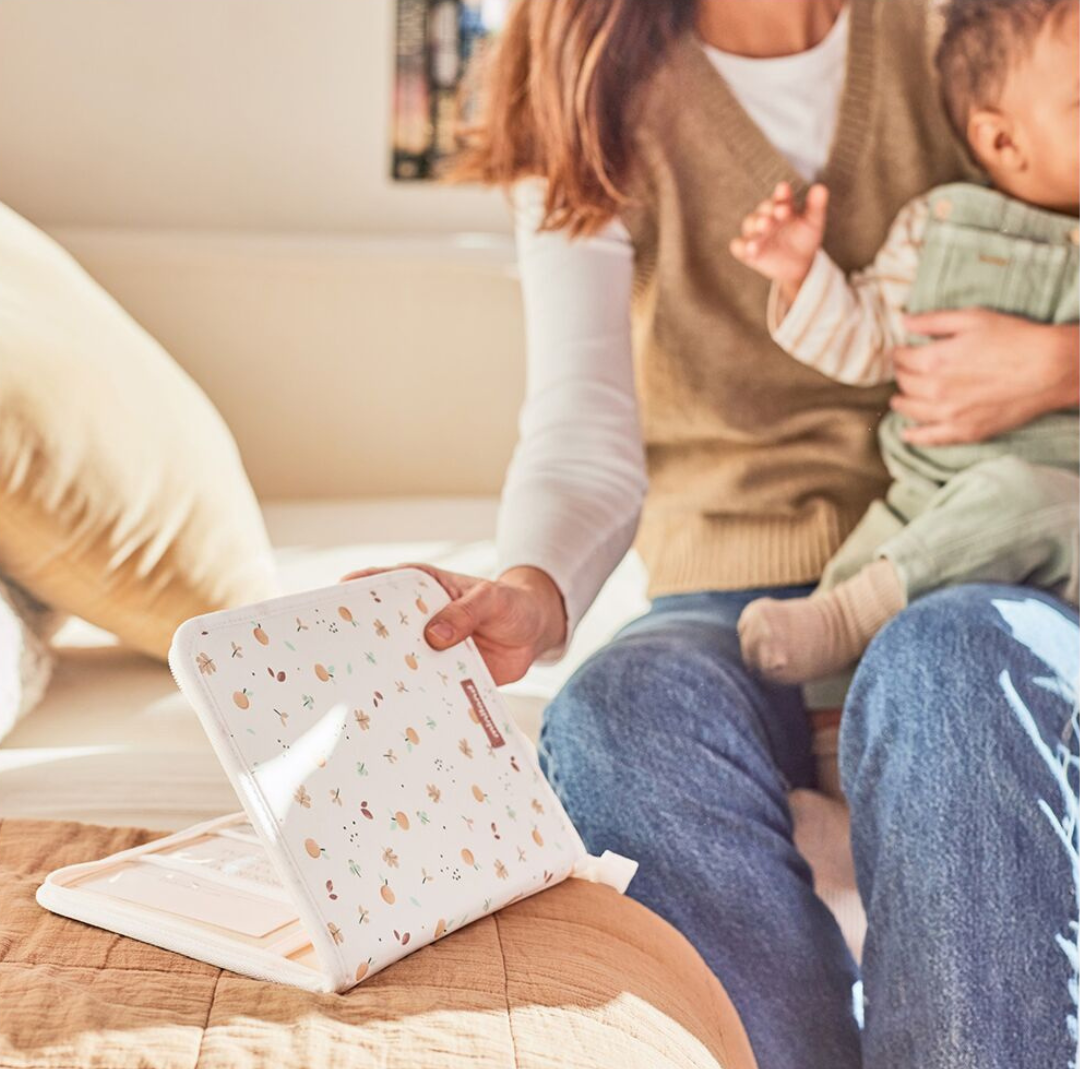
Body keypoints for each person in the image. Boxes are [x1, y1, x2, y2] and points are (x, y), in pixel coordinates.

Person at [348, 0, 1080, 1067]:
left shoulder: (976, 26)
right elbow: (582, 425)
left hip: (983, 562)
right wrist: (536, 589)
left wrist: (1063, 363)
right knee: (614, 717)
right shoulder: (580, 77)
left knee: (952, 665)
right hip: (728, 587)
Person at [733, 0, 1079, 689]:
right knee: (843, 598)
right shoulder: (938, 229)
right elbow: (868, 339)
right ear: (1004, 143)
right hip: (928, 498)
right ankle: (837, 785)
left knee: (1027, 498)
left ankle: (850, 617)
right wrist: (804, 277)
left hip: (1063, 517)